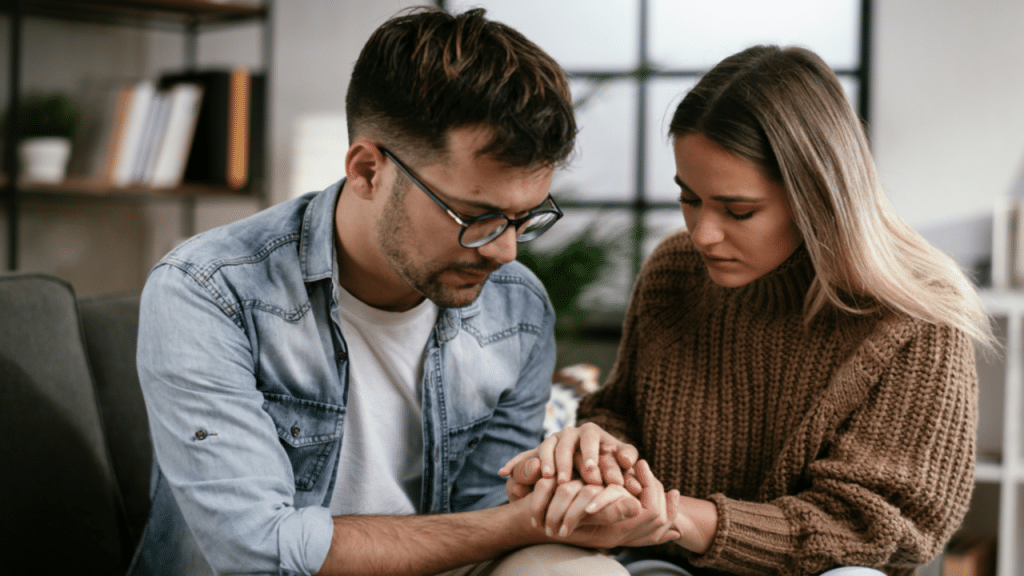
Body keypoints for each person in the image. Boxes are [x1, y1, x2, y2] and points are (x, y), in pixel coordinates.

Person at [129, 6, 680, 576]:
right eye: (477, 215)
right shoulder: (209, 291)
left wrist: (573, 505)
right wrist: (525, 520)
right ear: (368, 170)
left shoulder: (517, 306)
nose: (505, 251)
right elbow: (258, 550)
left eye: (524, 218)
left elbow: (483, 517)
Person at [502, 44, 993, 576]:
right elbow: (622, 413)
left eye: (739, 210)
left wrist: (676, 516)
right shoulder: (675, 271)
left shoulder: (914, 320)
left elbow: (869, 530)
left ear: (817, 198)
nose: (703, 234)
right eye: (689, 199)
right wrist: (597, 449)